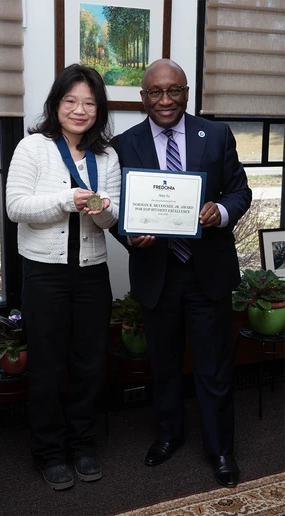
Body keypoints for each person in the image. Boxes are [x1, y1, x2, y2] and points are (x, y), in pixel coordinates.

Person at [110, 59, 252, 488]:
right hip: (158, 274)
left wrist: (222, 210)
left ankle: (220, 449)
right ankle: (169, 436)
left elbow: (239, 190)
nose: (165, 100)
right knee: (165, 365)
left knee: (214, 367)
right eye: (156, 92)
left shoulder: (217, 134)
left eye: (174, 91)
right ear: (143, 98)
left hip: (206, 272)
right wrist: (129, 235)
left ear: (186, 92)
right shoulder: (123, 144)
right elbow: (116, 209)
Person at [6, 64, 121, 490]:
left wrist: (102, 209)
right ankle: (49, 453)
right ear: (56, 105)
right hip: (44, 275)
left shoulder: (106, 156)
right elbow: (16, 207)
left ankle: (83, 445)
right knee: (49, 367)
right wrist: (66, 200)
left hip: (92, 274)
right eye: (71, 101)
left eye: (89, 103)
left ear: (99, 110)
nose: (79, 109)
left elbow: (113, 220)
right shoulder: (32, 148)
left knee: (90, 365)